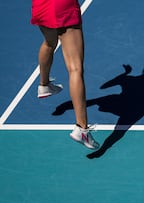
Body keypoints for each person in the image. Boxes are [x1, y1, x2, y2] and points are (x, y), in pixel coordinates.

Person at [31, 0, 99, 149]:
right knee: (75, 69)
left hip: (41, 6)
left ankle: (44, 85)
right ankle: (82, 129)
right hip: (63, 6)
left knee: (49, 42)